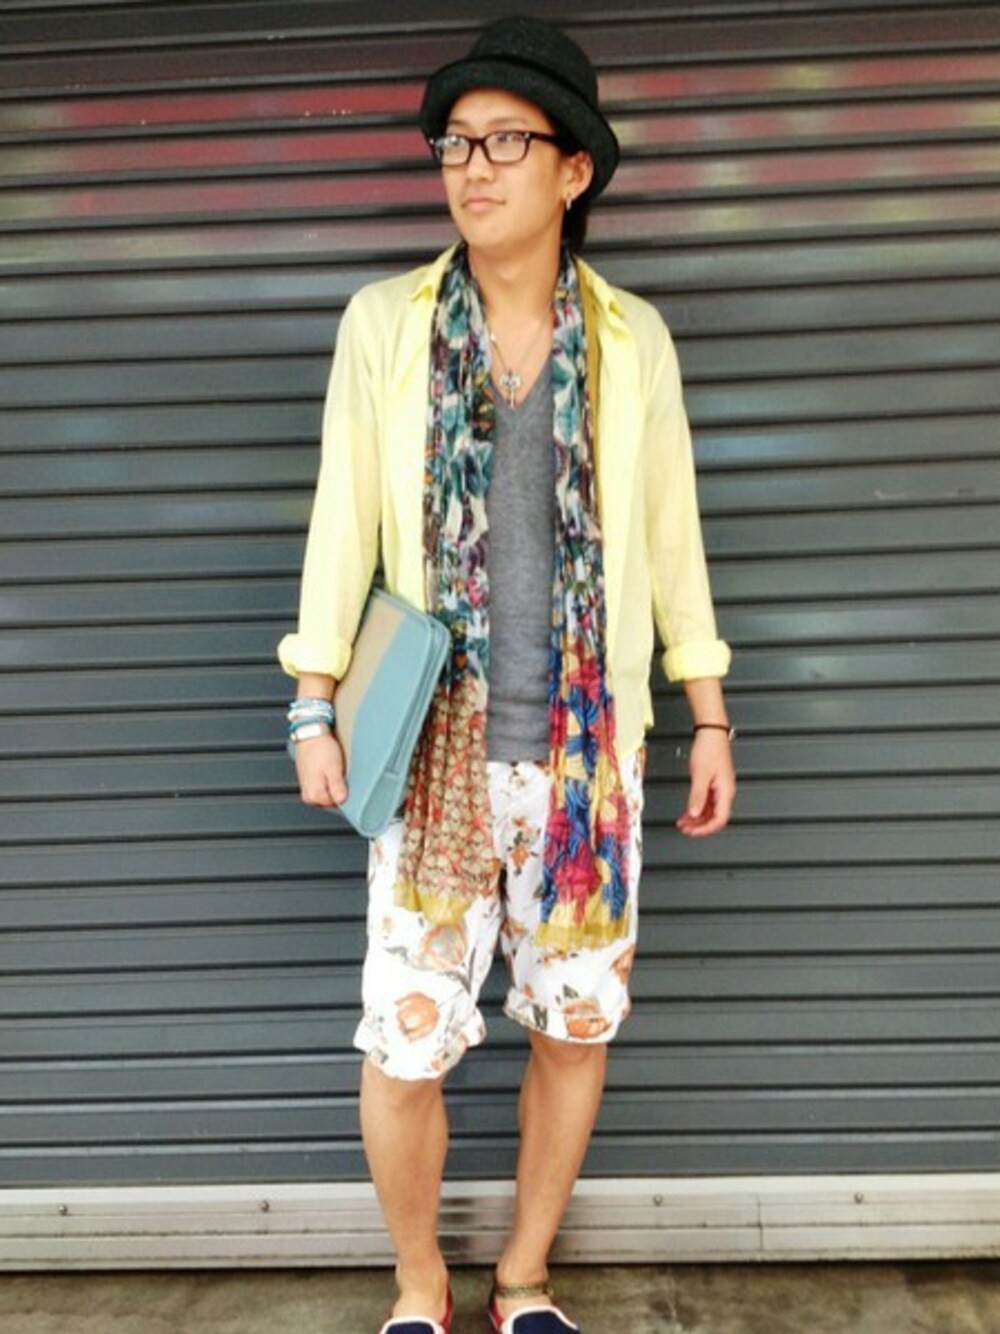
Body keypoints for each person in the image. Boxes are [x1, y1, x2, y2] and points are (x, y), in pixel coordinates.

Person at [277, 15, 735, 1334]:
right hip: (432, 761)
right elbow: (340, 524)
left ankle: (523, 1277)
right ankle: (419, 1280)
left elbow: (672, 538)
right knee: (404, 1043)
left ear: (573, 169)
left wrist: (707, 713)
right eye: (454, 144)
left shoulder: (634, 341)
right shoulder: (389, 326)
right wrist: (313, 700)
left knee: (574, 1026)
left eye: (503, 144)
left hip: (587, 767)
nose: (471, 169)